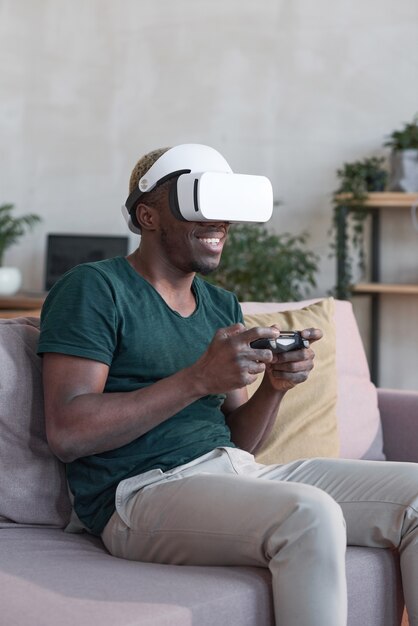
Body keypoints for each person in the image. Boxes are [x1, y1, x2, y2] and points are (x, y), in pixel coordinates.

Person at [38, 144, 418, 626]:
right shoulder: (95, 287)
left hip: (233, 471)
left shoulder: (221, 305)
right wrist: (197, 379)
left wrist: (275, 387)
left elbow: (239, 439)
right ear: (148, 215)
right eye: (200, 204)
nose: (219, 222)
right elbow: (68, 432)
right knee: (309, 513)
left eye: (225, 207)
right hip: (137, 495)